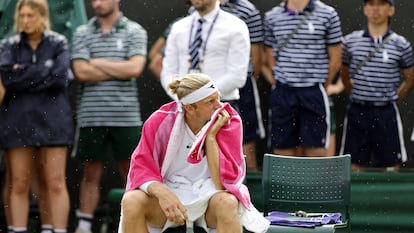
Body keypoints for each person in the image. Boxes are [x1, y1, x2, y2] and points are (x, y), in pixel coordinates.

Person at [118, 73, 269, 233]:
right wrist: (162, 193)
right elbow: (141, 167)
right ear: (189, 108)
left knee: (228, 202)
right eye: (210, 102)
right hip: (169, 197)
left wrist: (211, 138)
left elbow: (221, 184)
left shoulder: (229, 121)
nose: (219, 106)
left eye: (218, 98)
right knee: (131, 200)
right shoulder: (159, 120)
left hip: (209, 198)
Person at [70, 0, 147, 232]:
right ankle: (84, 225)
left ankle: (132, 223)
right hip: (91, 116)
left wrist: (96, 62)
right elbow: (81, 72)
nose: (97, 3)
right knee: (90, 172)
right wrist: (118, 67)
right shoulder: (83, 32)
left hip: (126, 117)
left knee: (132, 173)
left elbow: (135, 68)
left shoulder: (134, 30)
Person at [0, 0, 74, 232]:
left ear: (42, 16)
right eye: (21, 16)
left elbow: (61, 77)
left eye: (30, 15)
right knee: (19, 183)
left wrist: (22, 73)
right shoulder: (8, 45)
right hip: (18, 121)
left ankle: (56, 230)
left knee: (54, 182)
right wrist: (44, 71)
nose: (25, 21)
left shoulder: (59, 42)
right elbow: (8, 78)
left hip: (54, 121)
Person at [339, 0, 414, 171]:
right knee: (354, 166)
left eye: (381, 4)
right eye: (371, 4)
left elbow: (409, 78)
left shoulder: (401, 44)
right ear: (365, 9)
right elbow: (344, 74)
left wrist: (393, 100)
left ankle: (390, 199)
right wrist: (356, 94)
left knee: (391, 167)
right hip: (358, 111)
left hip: (387, 113)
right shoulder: (350, 42)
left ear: (391, 9)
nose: (376, 9)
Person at [263, 0, 342, 157]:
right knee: (281, 151)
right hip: (283, 92)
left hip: (313, 92)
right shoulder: (272, 16)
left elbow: (336, 57)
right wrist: (281, 79)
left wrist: (321, 84)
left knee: (317, 151)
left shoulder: (328, 14)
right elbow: (271, 57)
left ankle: (315, 183)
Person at [160, 0, 250, 107]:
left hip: (220, 104)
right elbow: (168, 71)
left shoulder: (235, 26)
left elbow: (237, 76)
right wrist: (179, 96)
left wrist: (201, 95)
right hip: (184, 105)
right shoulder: (179, 27)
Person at [218, 0, 265, 171]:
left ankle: (247, 187)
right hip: (208, 83)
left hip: (242, 83)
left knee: (245, 135)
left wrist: (244, 77)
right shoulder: (199, 7)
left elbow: (256, 54)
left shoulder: (248, 9)